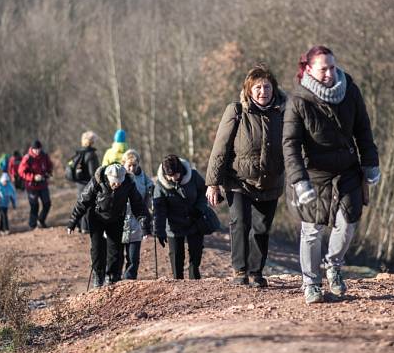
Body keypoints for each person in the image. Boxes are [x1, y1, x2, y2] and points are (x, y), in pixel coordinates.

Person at [283, 45, 380, 305]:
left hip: (347, 169)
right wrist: (299, 181)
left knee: (348, 222)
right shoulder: (298, 101)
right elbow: (290, 144)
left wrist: (370, 163)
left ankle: (334, 264)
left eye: (332, 67)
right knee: (312, 230)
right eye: (323, 68)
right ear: (308, 70)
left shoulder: (350, 90)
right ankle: (311, 283)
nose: (329, 73)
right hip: (313, 172)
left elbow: (363, 130)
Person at [205, 64, 287, 287]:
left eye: (267, 87)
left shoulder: (283, 112)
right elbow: (220, 148)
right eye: (258, 87)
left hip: (271, 181)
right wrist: (212, 183)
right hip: (239, 180)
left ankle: (256, 271)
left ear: (274, 88)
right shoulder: (237, 111)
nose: (263, 92)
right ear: (249, 90)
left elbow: (294, 145)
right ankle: (240, 270)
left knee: (261, 228)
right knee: (240, 222)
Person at [66, 163, 153, 287]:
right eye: (114, 182)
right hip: (96, 217)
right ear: (108, 178)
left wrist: (145, 227)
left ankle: (112, 277)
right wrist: (72, 222)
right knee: (97, 248)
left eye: (119, 182)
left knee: (115, 250)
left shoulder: (128, 183)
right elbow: (83, 201)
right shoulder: (98, 181)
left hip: (116, 218)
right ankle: (98, 274)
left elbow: (138, 205)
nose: (117, 185)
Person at [153, 154, 209, 280]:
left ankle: (194, 278)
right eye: (170, 176)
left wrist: (199, 209)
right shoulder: (160, 186)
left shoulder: (193, 176)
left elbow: (203, 192)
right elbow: (159, 210)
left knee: (196, 252)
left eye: (176, 175)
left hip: (194, 220)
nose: (173, 179)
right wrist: (159, 230)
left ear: (181, 171)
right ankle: (178, 281)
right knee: (176, 256)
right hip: (173, 225)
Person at [121, 149, 154, 280]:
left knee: (133, 257)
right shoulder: (119, 176)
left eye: (134, 165)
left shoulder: (142, 176)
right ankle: (114, 278)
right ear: (123, 164)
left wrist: (152, 190)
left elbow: (150, 185)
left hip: (136, 220)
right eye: (129, 165)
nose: (132, 168)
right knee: (117, 256)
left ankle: (129, 278)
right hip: (121, 219)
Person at [67, 130, 101, 233]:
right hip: (88, 183)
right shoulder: (91, 155)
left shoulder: (79, 153)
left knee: (80, 203)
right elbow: (93, 173)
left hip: (79, 184)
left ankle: (79, 226)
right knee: (89, 205)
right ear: (92, 141)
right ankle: (85, 227)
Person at [18, 140, 53, 229]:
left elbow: (49, 166)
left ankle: (41, 220)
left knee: (47, 203)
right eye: (35, 149)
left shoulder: (44, 156)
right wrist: (33, 177)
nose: (37, 151)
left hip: (43, 184)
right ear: (32, 149)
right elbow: (21, 172)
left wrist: (48, 173)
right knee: (34, 205)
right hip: (31, 186)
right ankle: (32, 225)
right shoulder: (27, 158)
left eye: (39, 149)